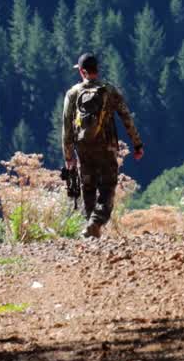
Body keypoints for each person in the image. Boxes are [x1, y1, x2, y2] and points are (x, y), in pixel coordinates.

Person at [62, 53, 144, 238]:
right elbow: (126, 118)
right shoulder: (109, 91)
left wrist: (69, 156)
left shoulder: (73, 93)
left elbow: (66, 127)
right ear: (97, 70)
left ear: (82, 71)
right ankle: (95, 223)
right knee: (107, 187)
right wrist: (137, 144)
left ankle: (90, 228)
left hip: (83, 148)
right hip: (107, 148)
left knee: (88, 188)